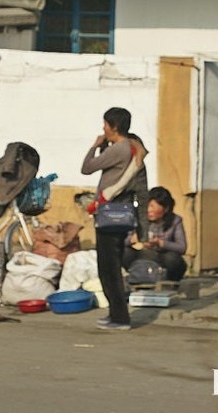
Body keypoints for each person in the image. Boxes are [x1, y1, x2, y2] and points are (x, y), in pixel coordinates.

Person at [81, 107, 136, 331]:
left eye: (105, 124)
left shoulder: (119, 149)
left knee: (109, 267)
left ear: (113, 127)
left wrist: (95, 146)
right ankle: (116, 313)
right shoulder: (126, 147)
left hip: (110, 214)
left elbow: (87, 168)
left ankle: (120, 318)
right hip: (116, 212)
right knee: (111, 264)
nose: (103, 128)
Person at [123, 186, 187, 282]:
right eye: (147, 206)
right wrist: (132, 239)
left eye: (152, 206)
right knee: (125, 253)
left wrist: (160, 243)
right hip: (142, 255)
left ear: (165, 209)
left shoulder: (175, 221)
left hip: (161, 257)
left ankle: (169, 281)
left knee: (173, 259)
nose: (149, 210)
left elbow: (182, 247)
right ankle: (135, 276)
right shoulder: (138, 218)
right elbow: (122, 241)